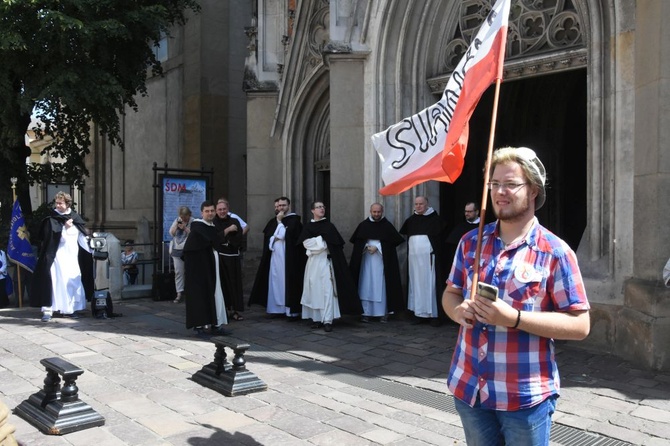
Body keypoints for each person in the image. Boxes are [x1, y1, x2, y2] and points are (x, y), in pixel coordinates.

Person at [442, 146, 591, 445]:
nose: (500, 192)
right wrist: (458, 312)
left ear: (533, 189)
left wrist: (514, 318)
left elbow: (580, 325)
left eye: (511, 184)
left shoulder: (555, 252)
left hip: (523, 398)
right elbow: (451, 293)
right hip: (470, 388)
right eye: (494, 184)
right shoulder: (471, 242)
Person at [298, 201, 362, 332]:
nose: (321, 209)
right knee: (314, 290)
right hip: (313, 263)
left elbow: (331, 245)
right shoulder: (308, 226)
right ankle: (317, 319)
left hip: (326, 263)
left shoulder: (329, 227)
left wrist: (317, 245)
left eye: (323, 207)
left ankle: (327, 319)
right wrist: (322, 241)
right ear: (312, 210)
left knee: (327, 291)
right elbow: (306, 244)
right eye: (318, 207)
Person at [31, 191, 94, 322]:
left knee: (72, 281)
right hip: (56, 257)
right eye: (56, 203)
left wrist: (92, 250)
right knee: (54, 281)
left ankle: (70, 310)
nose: (57, 205)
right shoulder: (51, 220)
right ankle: (48, 310)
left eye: (60, 203)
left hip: (71, 257)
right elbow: (51, 240)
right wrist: (64, 228)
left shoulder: (75, 218)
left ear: (67, 204)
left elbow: (82, 238)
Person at [249, 196, 306, 320]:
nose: (281, 208)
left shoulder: (294, 221)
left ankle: (290, 311)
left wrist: (280, 225)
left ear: (288, 206)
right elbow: (271, 237)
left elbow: (285, 235)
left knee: (288, 282)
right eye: (279, 205)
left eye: (283, 205)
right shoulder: (272, 221)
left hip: (289, 259)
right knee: (275, 281)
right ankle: (276, 309)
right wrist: (277, 234)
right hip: (275, 257)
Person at [349, 203, 404, 322]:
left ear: (382, 211)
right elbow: (358, 243)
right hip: (366, 260)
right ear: (370, 211)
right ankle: (366, 313)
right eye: (374, 212)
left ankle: (382, 312)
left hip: (381, 261)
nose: (376, 214)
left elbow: (391, 243)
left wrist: (378, 247)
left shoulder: (387, 226)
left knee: (381, 285)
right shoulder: (363, 225)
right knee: (366, 284)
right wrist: (365, 246)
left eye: (378, 212)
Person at [183, 201, 229, 336]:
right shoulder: (198, 228)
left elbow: (215, 242)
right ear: (202, 213)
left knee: (216, 294)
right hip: (199, 271)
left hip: (212, 266)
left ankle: (216, 325)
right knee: (200, 295)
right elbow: (190, 251)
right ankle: (199, 326)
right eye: (207, 211)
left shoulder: (212, 227)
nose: (210, 214)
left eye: (212, 211)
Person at [399, 196, 447, 325]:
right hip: (414, 261)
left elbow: (440, 242)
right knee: (416, 285)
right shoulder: (411, 221)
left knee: (430, 285)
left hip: (429, 260)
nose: (418, 206)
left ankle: (434, 315)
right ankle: (418, 313)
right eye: (416, 204)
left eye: (421, 204)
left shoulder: (436, 220)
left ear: (427, 204)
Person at [214, 198, 245, 321]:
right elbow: (215, 239)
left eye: (224, 209)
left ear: (228, 209)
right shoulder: (214, 223)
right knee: (223, 285)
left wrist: (227, 241)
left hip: (233, 258)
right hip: (220, 258)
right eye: (220, 209)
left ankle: (235, 310)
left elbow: (238, 238)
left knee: (234, 285)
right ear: (216, 211)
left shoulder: (234, 221)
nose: (222, 211)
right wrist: (227, 231)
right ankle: (225, 310)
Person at [445, 202, 481, 280]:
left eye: (469, 211)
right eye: (465, 211)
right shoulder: (460, 227)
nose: (467, 214)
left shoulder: (484, 226)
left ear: (477, 212)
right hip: (463, 264)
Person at [169, 206, 192, 304]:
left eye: (185, 217)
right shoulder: (177, 220)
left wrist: (185, 228)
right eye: (181, 217)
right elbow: (171, 233)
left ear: (189, 215)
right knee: (178, 272)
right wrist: (176, 227)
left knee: (190, 272)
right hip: (177, 250)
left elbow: (194, 235)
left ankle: (191, 292)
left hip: (188, 250)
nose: (183, 219)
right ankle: (179, 292)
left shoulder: (193, 221)